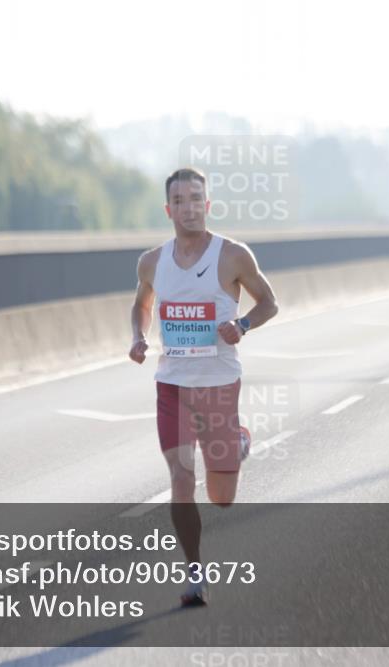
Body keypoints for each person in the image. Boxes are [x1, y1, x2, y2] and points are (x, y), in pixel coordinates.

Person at [128, 167, 279, 607]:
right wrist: (138, 336)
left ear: (207, 205)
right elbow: (141, 303)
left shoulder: (233, 255)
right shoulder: (152, 261)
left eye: (197, 198)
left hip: (218, 384)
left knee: (222, 497)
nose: (189, 207)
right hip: (171, 386)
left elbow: (269, 300)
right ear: (168, 208)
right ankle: (194, 571)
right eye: (180, 200)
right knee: (180, 478)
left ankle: (236, 440)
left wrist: (244, 324)